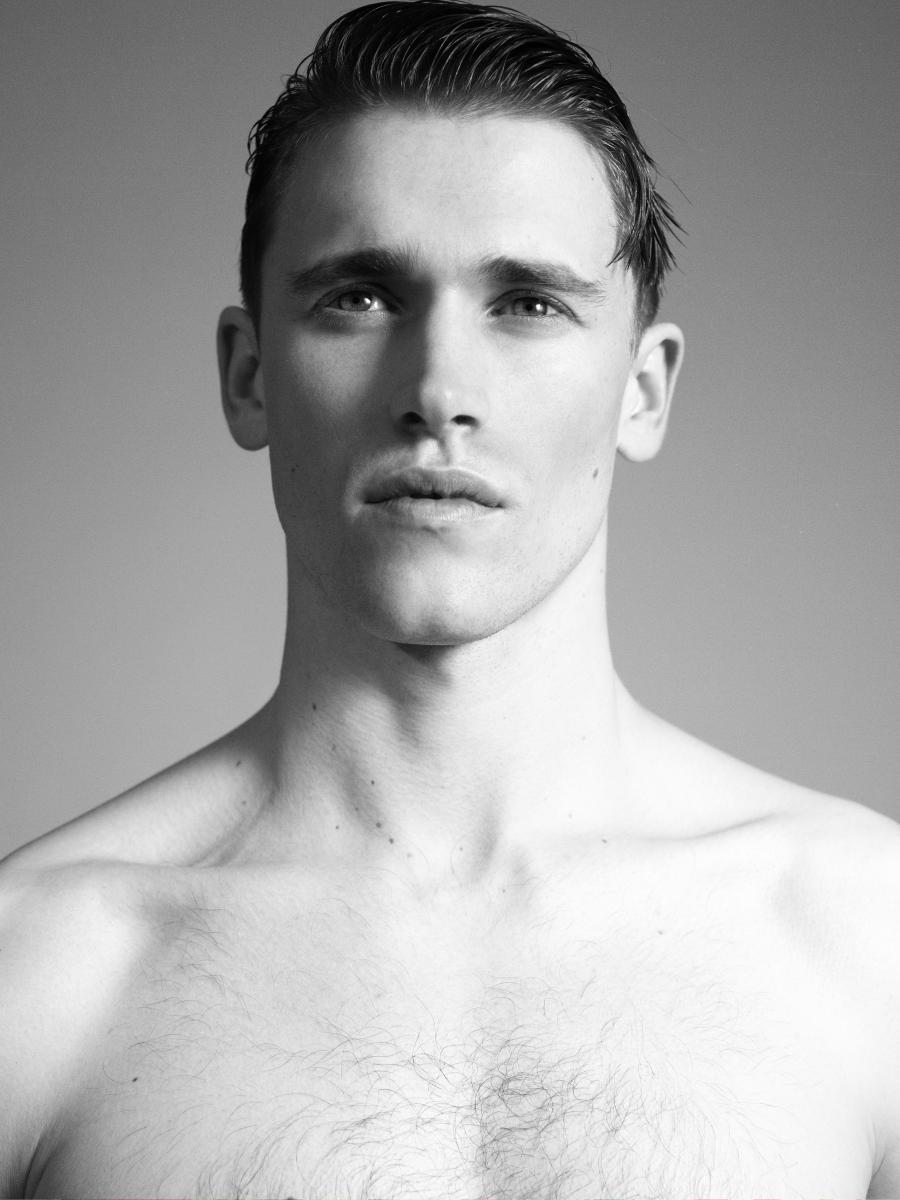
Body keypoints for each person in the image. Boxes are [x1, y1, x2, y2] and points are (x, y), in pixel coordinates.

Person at [1, 1, 897, 1196]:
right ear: (250, 374)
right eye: (360, 296)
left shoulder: (869, 940)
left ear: (643, 391)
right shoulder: (36, 973)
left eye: (528, 302)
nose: (436, 389)